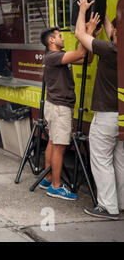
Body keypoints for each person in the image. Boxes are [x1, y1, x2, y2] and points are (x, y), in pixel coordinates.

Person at [74, 0, 123, 220]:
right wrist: (103, 17)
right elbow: (113, 30)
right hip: (121, 115)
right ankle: (120, 204)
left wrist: (83, 9)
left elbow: (80, 35)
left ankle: (107, 206)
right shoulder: (116, 48)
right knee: (119, 161)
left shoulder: (111, 50)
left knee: (101, 160)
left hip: (107, 114)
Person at [39, 26, 89, 201]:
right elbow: (79, 55)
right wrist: (86, 32)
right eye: (59, 36)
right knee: (59, 146)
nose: (62, 38)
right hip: (60, 107)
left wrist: (89, 36)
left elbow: (85, 60)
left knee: (53, 142)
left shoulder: (57, 57)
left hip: (56, 105)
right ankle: (56, 187)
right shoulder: (53, 56)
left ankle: (47, 179)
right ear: (51, 40)